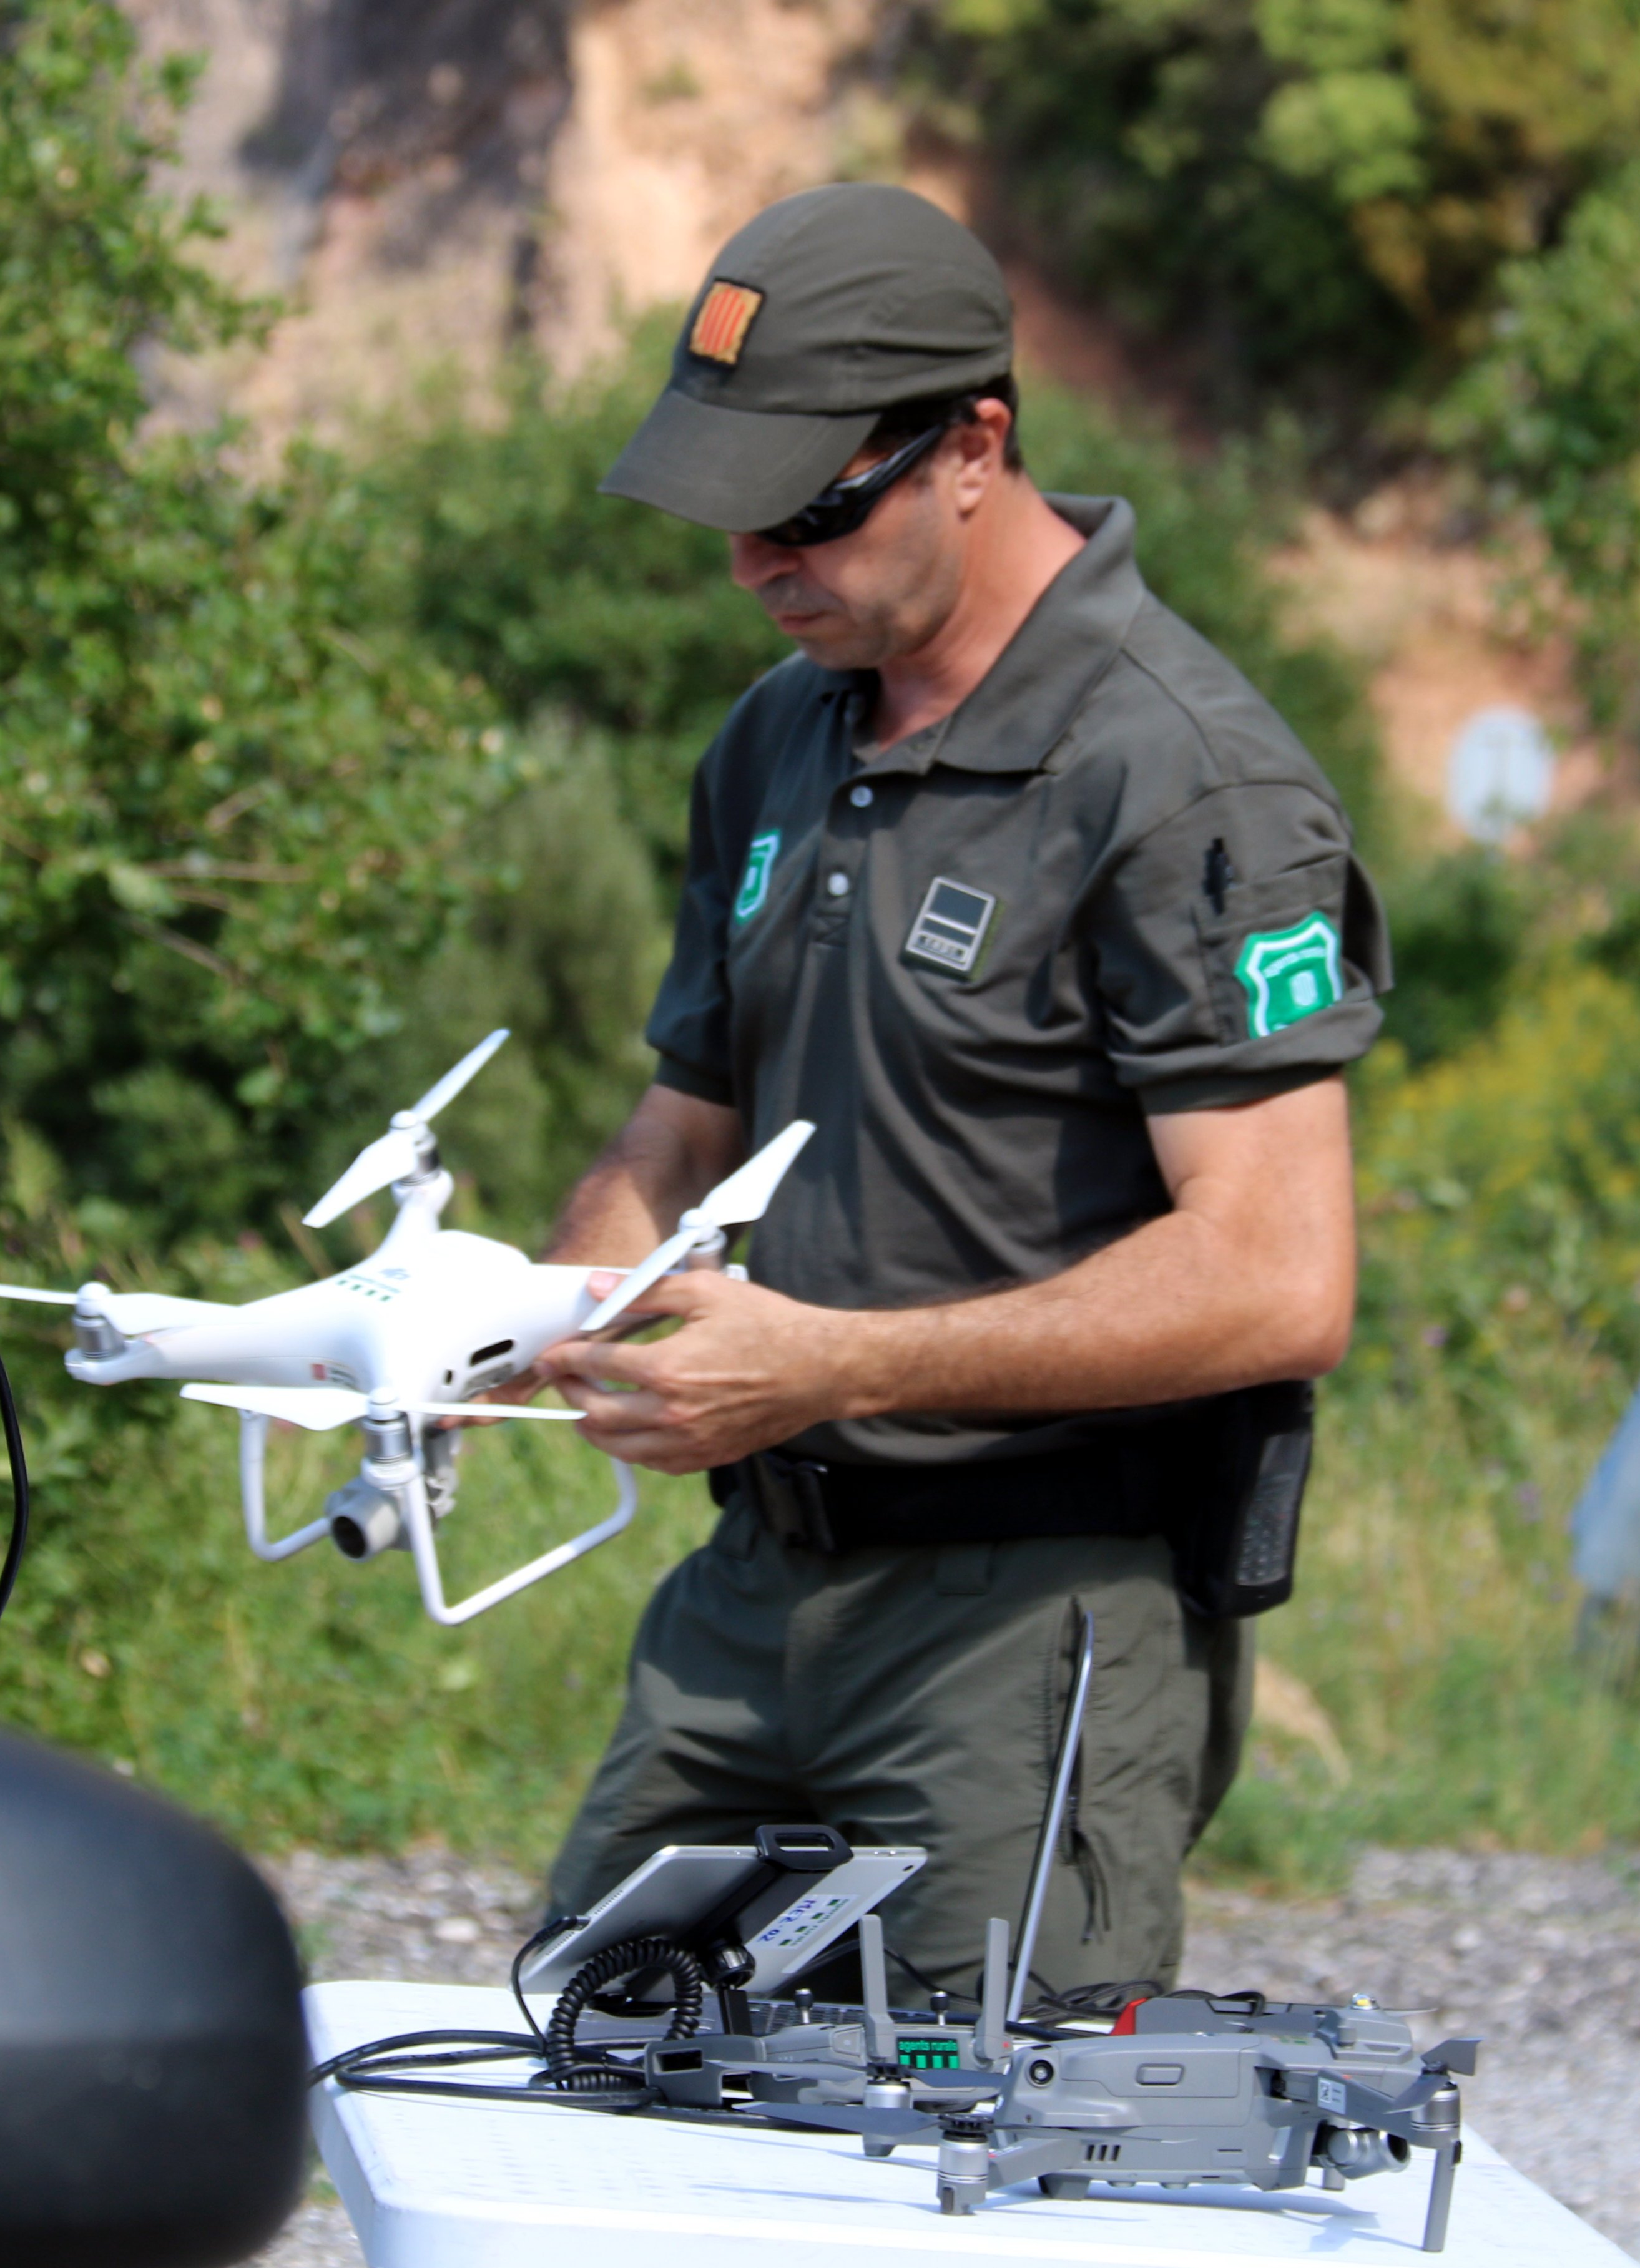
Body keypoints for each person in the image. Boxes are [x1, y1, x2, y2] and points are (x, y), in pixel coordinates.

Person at [519, 183, 1388, 2003]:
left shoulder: (1184, 776)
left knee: (960, 2165)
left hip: (1026, 1626)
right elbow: (684, 1123)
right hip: (752, 1598)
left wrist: (838, 1361)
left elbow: (1278, 1278)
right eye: (725, 516)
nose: (757, 565)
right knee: (589, 2071)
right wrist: (560, 1304)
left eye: (806, 512)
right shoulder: (778, 732)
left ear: (973, 446)